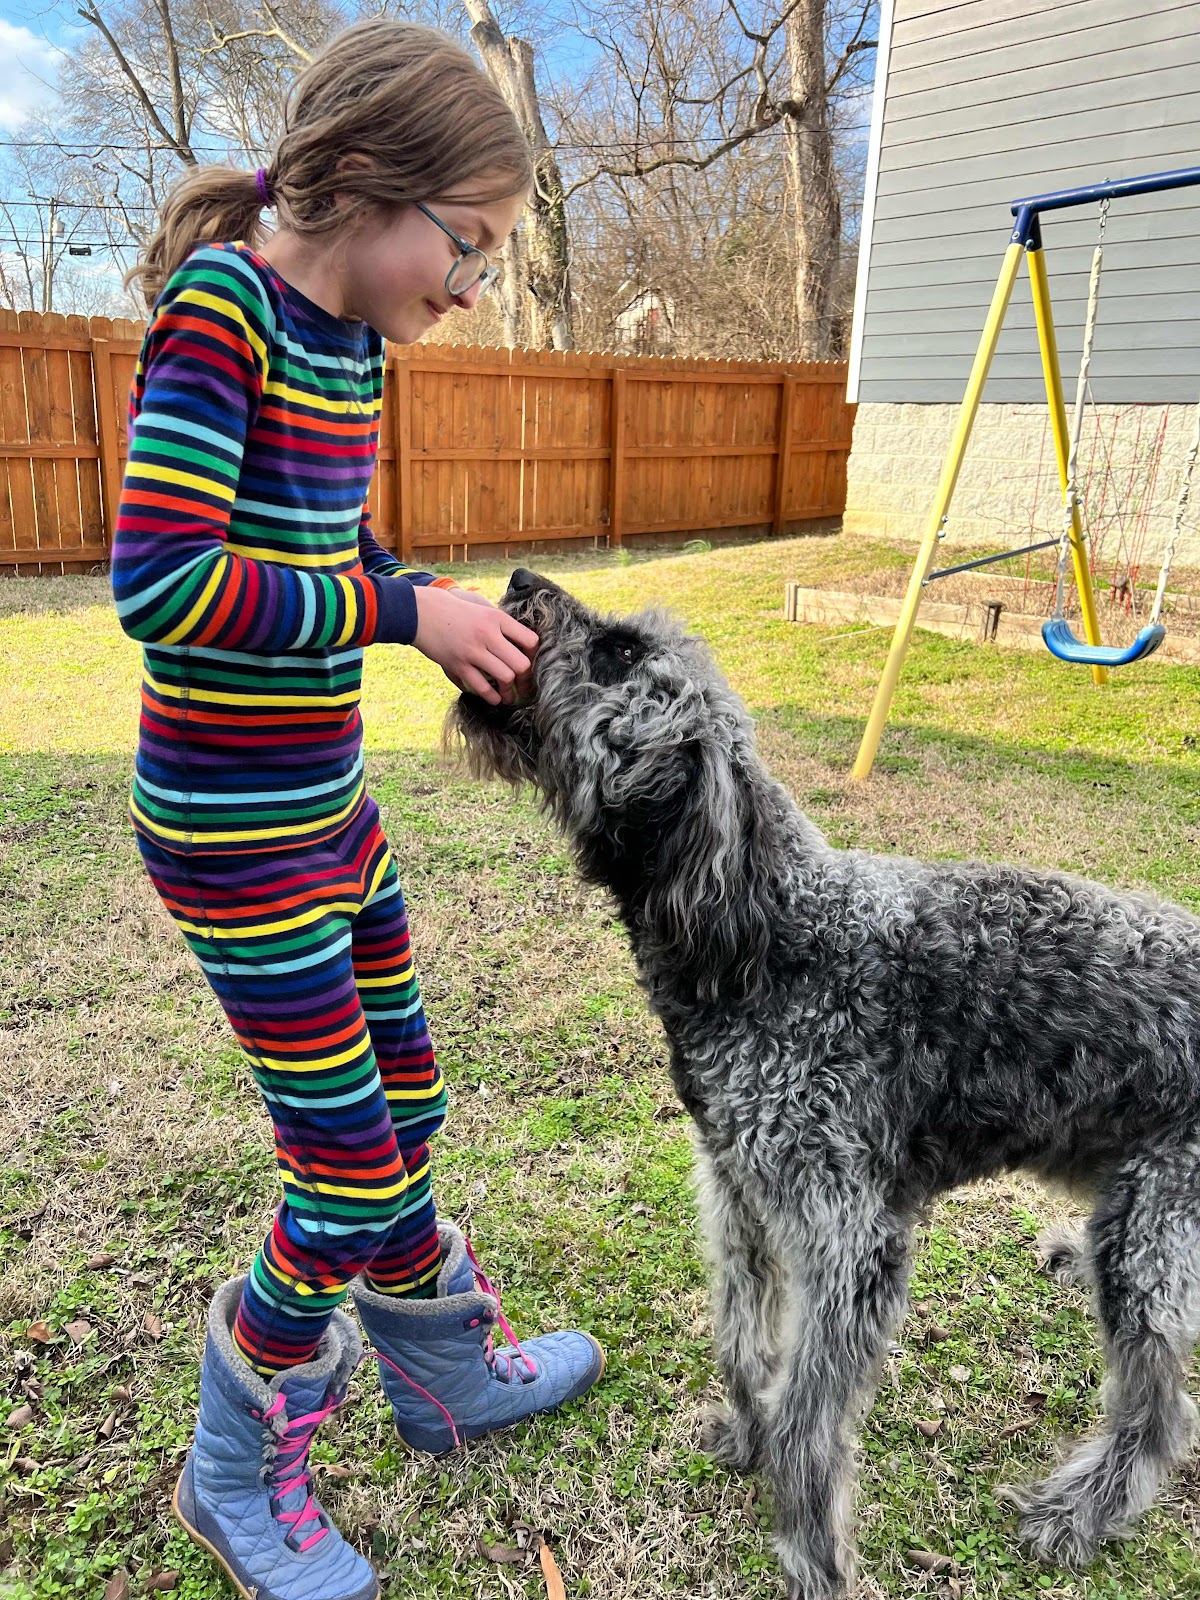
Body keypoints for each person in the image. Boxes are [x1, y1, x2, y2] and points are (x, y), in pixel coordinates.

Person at [111, 21, 604, 1599]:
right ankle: (230, 1466)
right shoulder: (224, 314)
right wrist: (401, 617)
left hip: (328, 811)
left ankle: (442, 1373)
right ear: (372, 187)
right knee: (346, 1171)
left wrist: (427, 602)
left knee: (410, 1101)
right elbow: (164, 583)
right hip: (232, 832)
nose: (474, 283)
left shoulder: (347, 349)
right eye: (469, 245)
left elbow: (335, 550)